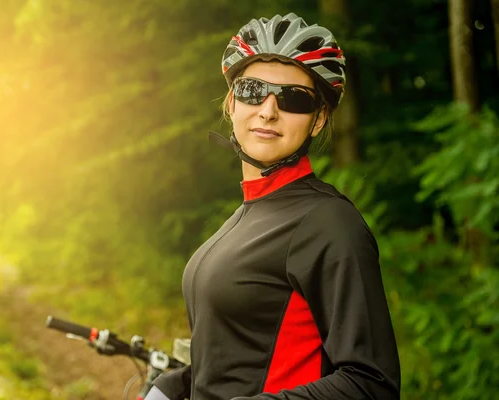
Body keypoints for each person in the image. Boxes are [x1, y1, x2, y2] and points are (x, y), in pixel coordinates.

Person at [147, 13, 401, 400]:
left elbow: (371, 383)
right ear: (232, 103)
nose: (268, 110)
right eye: (252, 91)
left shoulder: (328, 223)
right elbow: (237, 354)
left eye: (293, 99)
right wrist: (172, 385)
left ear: (318, 120)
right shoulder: (247, 216)